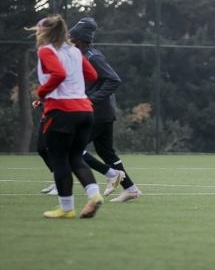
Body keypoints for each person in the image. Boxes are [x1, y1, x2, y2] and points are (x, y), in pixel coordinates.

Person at [29, 15, 104, 218]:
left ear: (45, 33)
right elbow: (92, 75)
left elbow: (59, 74)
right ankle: (94, 194)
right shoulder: (74, 51)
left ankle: (66, 208)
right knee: (76, 158)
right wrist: (75, 85)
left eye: (39, 30)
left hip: (62, 111)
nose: (37, 33)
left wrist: (42, 92)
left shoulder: (46, 51)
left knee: (60, 160)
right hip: (85, 111)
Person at [68, 18, 142, 202]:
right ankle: (131, 189)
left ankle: (111, 174)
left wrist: (92, 100)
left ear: (79, 38)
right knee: (106, 152)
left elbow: (114, 79)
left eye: (72, 36)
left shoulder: (93, 56)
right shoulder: (82, 55)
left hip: (98, 113)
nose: (69, 38)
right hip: (102, 112)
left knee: (72, 147)